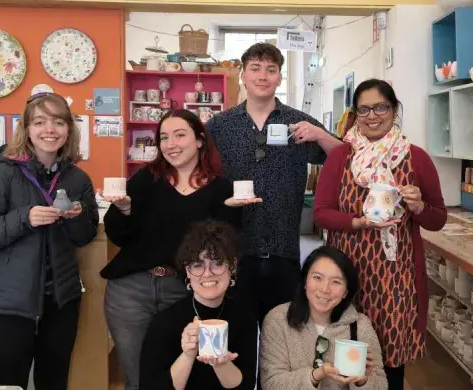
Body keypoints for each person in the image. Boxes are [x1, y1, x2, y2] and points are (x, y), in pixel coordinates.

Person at [101, 109, 258, 390]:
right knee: (138, 377)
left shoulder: (222, 189)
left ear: (199, 140)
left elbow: (222, 246)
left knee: (179, 372)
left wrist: (231, 214)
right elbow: (119, 235)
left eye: (179, 135)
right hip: (131, 289)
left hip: (181, 289)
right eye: (164, 137)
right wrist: (122, 209)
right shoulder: (146, 180)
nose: (170, 143)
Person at [0, 91, 99, 390]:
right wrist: (24, 218)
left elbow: (86, 236)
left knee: (54, 382)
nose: (50, 129)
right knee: (6, 384)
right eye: (40, 122)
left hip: (60, 302)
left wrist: (77, 217)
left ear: (69, 130)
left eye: (58, 122)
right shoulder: (1, 174)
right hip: (9, 303)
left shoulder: (77, 179)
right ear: (26, 129)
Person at [313, 79, 447, 390]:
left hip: (396, 281)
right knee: (344, 356)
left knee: (388, 362)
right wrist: (356, 222)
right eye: (364, 109)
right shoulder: (340, 157)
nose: (373, 115)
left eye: (381, 107)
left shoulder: (415, 158)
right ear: (355, 113)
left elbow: (437, 219)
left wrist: (419, 206)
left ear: (394, 109)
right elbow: (320, 213)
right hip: (345, 276)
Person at [206, 42, 343, 329]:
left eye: (271, 70)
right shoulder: (220, 125)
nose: (262, 76)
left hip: (284, 250)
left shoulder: (299, 122)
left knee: (282, 342)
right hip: (234, 251)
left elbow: (346, 157)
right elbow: (199, 171)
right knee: (236, 336)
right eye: (255, 69)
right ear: (243, 74)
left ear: (279, 77)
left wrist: (319, 134)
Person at [139, 220, 258, 390]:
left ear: (232, 266)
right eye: (197, 265)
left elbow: (245, 385)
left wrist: (221, 363)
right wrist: (188, 355)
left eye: (217, 263)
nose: (207, 274)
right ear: (188, 271)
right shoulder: (164, 322)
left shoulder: (244, 316)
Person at [259, 246, 387, 390]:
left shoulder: (360, 325)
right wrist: (315, 375)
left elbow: (381, 385)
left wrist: (363, 381)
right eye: (317, 278)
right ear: (305, 282)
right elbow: (271, 383)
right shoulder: (278, 320)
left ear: (346, 292)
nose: (325, 289)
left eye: (336, 282)